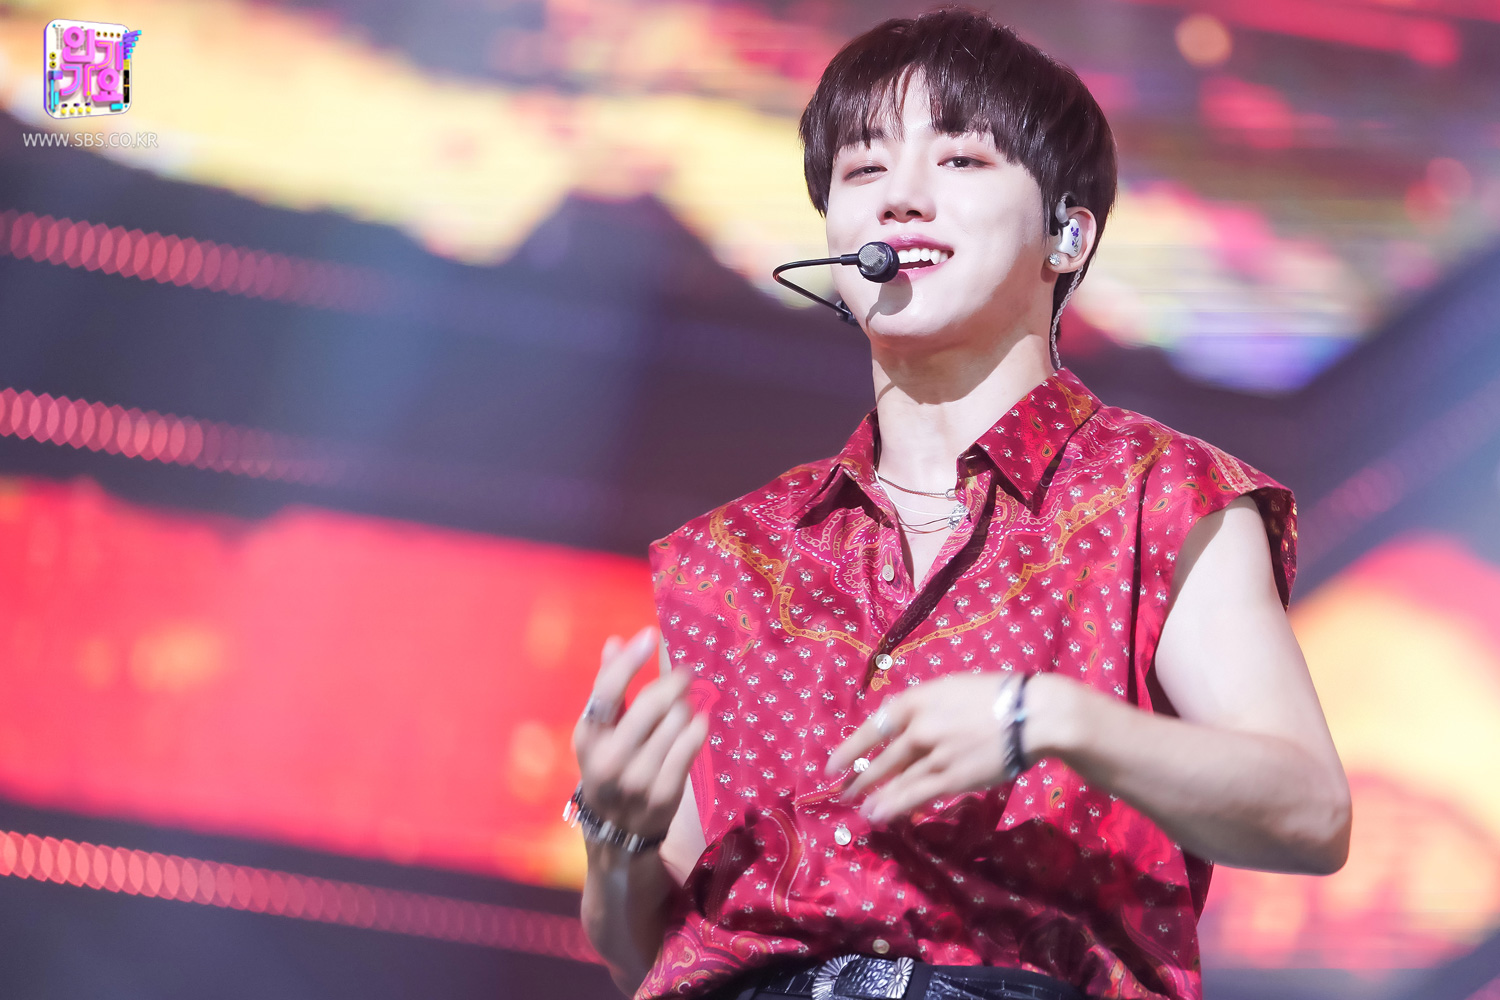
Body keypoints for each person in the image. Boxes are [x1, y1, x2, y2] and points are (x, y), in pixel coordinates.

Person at [568, 9, 1351, 1000]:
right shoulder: (735, 553)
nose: (900, 197)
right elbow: (648, 952)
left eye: (961, 160)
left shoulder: (1161, 495)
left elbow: (1310, 812)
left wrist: (1049, 718)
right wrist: (617, 835)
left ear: (1067, 234)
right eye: (863, 170)